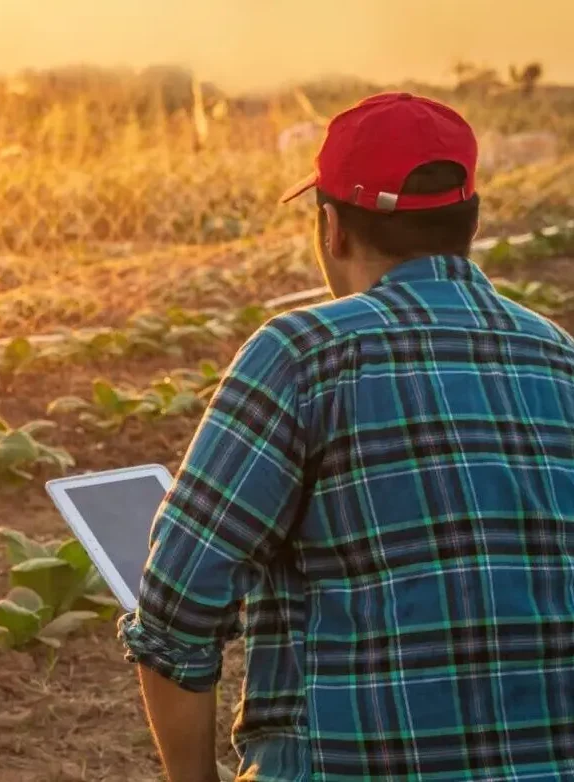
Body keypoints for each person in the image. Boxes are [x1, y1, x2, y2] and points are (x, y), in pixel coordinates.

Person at [120, 92, 574, 781]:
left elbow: (174, 616)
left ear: (331, 228)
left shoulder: (304, 354)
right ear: (469, 222)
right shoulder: (560, 358)